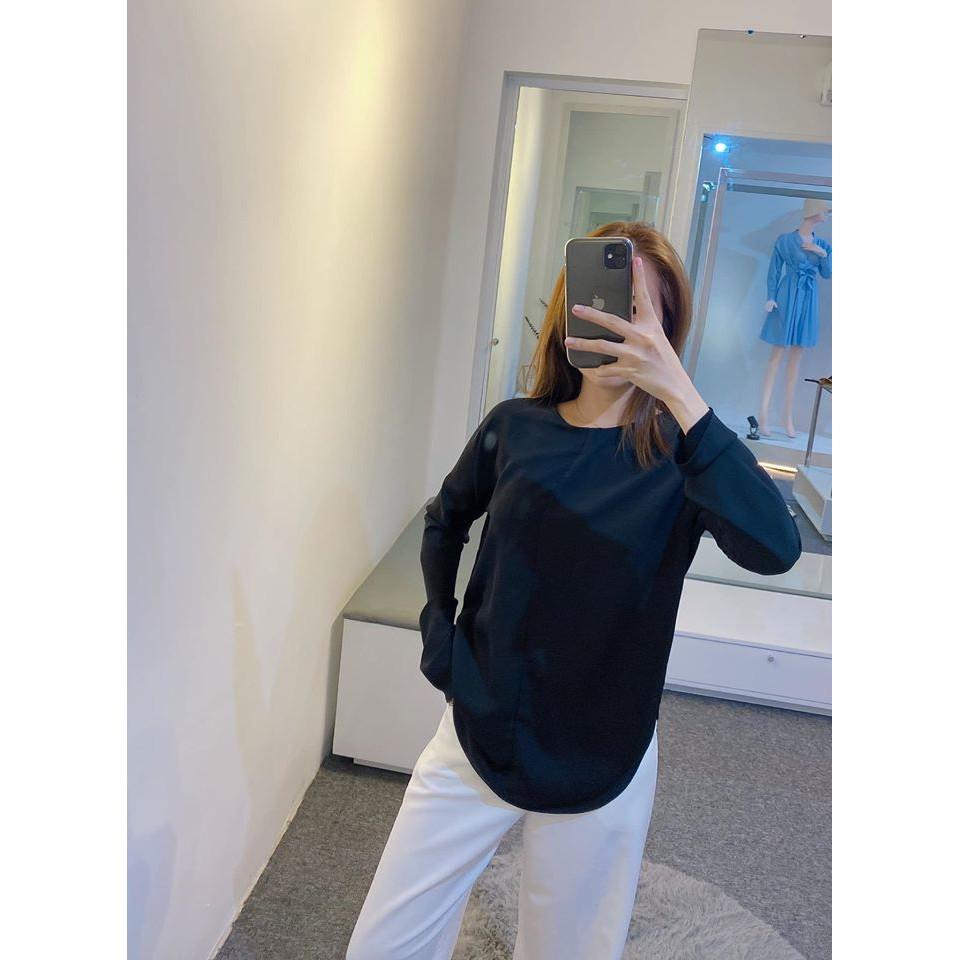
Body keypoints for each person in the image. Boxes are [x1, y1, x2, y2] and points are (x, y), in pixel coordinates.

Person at [345, 221, 802, 960]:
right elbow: (445, 518)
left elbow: (777, 549)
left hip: (602, 752)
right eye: (609, 302)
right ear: (572, 311)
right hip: (480, 725)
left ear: (668, 332)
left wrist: (681, 394)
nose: (622, 325)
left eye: (643, 313)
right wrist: (438, 631)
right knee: (383, 945)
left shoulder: (684, 462)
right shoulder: (515, 429)